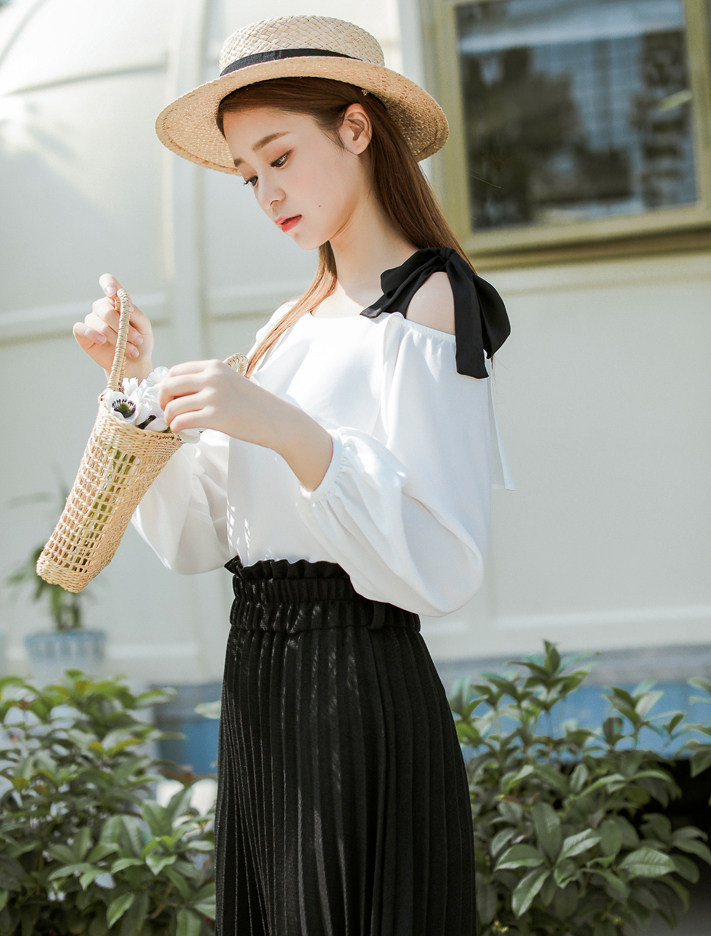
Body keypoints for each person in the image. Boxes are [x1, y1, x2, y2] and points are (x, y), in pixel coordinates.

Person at [72, 15, 514, 936]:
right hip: (259, 676)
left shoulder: (430, 300)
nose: (267, 192)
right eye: (248, 175)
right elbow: (199, 538)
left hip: (354, 679)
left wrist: (281, 427)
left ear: (355, 128)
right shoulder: (287, 323)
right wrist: (132, 378)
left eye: (279, 156)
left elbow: (445, 559)